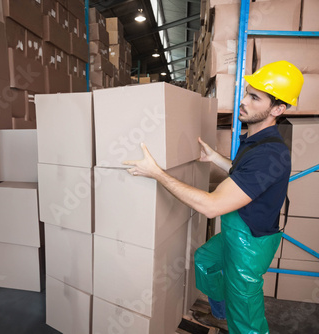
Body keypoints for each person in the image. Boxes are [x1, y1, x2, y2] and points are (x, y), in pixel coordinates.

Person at [123, 60, 304, 334]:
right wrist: (215, 158)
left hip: (249, 246)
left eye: (254, 98)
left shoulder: (269, 154)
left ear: (277, 109)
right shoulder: (256, 140)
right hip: (236, 234)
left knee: (247, 323)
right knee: (205, 260)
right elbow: (244, 176)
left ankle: (234, 319)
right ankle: (220, 315)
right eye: (246, 92)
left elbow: (211, 206)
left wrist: (157, 173)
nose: (243, 101)